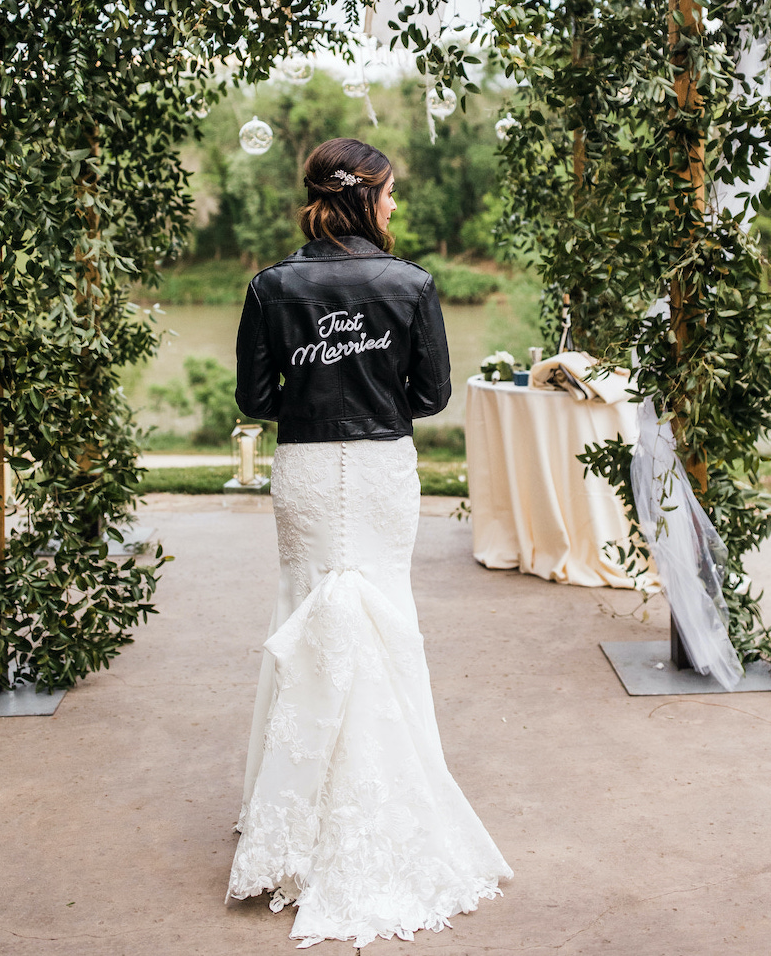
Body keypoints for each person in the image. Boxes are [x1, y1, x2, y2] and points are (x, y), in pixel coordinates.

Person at [227, 137, 512, 948]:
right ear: (364, 198)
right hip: (384, 469)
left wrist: (316, 390)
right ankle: (397, 797)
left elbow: (254, 396)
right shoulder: (412, 283)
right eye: (388, 195)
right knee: (387, 614)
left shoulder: (270, 285)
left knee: (303, 612)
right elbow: (428, 392)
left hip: (307, 472)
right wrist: (369, 385)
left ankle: (285, 814)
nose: (393, 206)